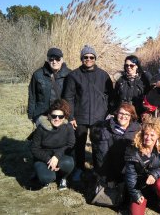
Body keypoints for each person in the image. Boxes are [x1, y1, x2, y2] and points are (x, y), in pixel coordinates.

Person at [63, 45, 114, 181]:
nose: (88, 59)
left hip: (99, 117)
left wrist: (108, 114)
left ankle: (99, 170)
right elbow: (68, 98)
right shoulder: (73, 76)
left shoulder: (103, 75)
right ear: (81, 58)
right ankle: (79, 168)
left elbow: (110, 96)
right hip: (80, 117)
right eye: (85, 57)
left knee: (98, 145)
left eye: (91, 57)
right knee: (79, 144)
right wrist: (71, 116)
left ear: (95, 58)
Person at [124, 117, 160, 215]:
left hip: (156, 182)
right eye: (146, 134)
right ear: (142, 135)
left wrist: (155, 175)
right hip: (139, 186)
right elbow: (130, 176)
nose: (148, 137)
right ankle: (143, 198)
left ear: (158, 136)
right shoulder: (133, 149)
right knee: (135, 213)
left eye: (152, 135)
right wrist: (136, 193)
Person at [90, 103, 141, 183]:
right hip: (110, 169)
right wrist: (107, 179)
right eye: (121, 113)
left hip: (128, 171)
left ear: (131, 116)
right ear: (117, 113)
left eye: (127, 114)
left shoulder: (137, 129)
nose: (123, 116)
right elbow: (102, 157)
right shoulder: (106, 129)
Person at [31, 99, 75, 190]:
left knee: (68, 163)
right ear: (49, 116)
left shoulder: (68, 127)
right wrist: (48, 159)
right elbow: (34, 149)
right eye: (54, 116)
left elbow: (70, 144)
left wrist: (56, 156)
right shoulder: (41, 128)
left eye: (60, 116)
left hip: (60, 156)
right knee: (47, 178)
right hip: (43, 158)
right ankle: (45, 174)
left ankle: (63, 178)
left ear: (64, 117)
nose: (57, 119)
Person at [28, 47, 71, 126]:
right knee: (44, 135)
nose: (54, 62)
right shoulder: (38, 74)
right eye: (51, 59)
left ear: (62, 60)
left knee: (60, 137)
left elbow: (72, 97)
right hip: (41, 114)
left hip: (61, 115)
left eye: (57, 59)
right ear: (47, 60)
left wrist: (71, 116)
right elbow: (32, 95)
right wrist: (31, 115)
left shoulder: (70, 75)